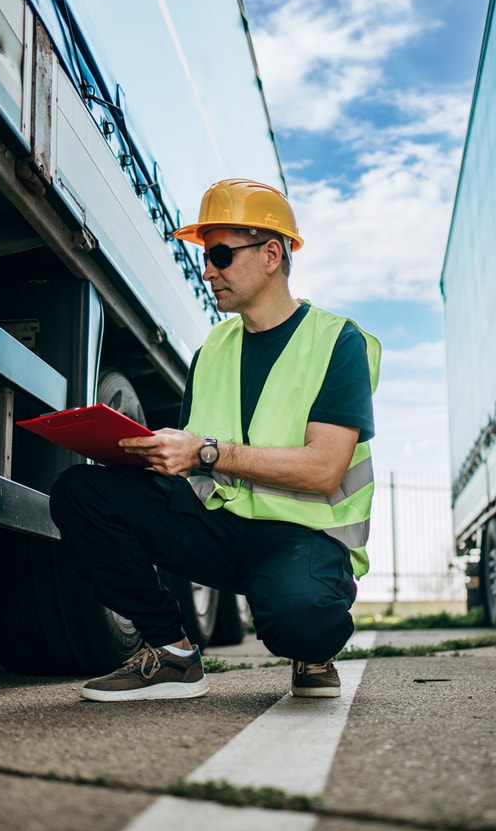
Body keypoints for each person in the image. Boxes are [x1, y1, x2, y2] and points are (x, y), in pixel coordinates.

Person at [50, 178, 380, 702]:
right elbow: (194, 465)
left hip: (303, 536)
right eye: (207, 256)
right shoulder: (214, 349)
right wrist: (149, 452)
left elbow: (324, 470)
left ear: (272, 254)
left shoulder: (337, 342)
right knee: (81, 492)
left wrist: (206, 451)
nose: (208, 270)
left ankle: (313, 646)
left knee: (302, 619)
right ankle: (172, 652)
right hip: (222, 528)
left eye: (221, 255)